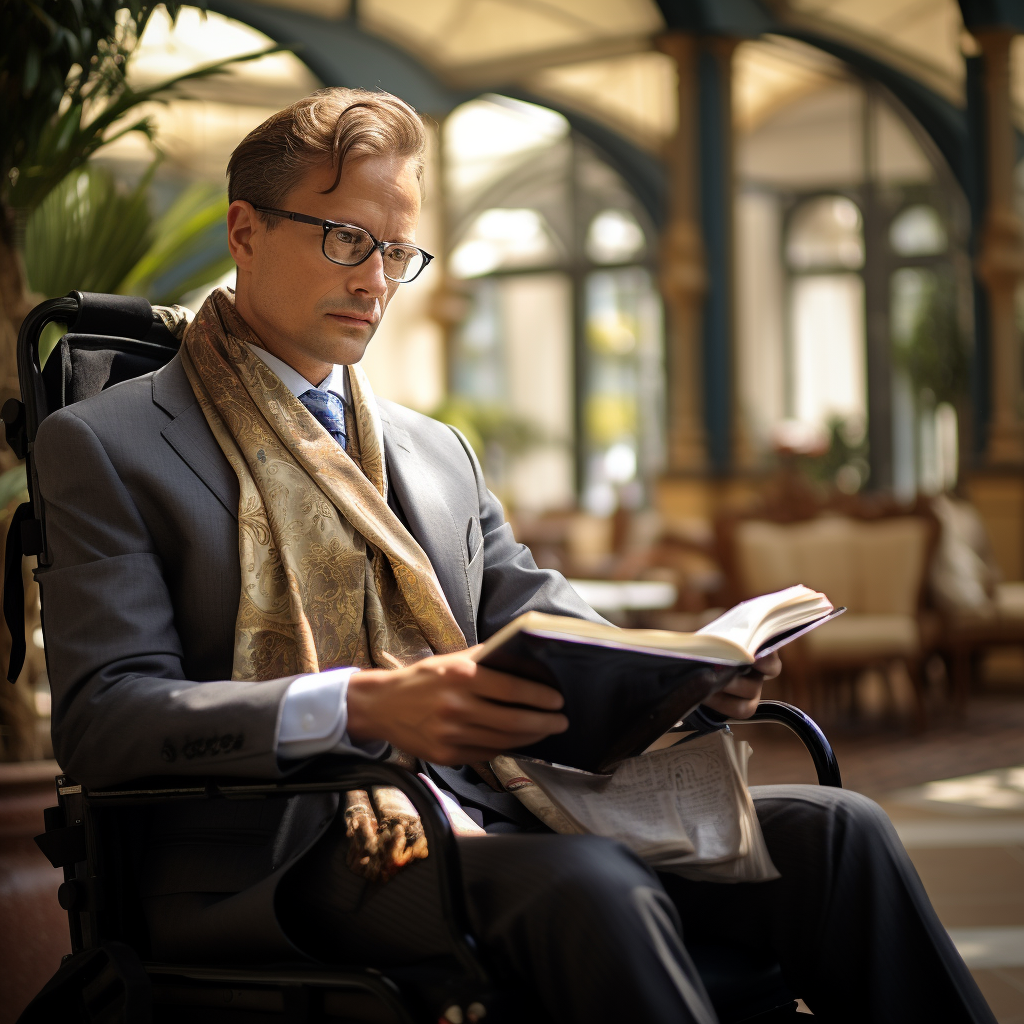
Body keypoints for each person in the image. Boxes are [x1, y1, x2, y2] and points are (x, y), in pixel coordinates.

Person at [34, 87, 994, 1023]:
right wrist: (364, 703)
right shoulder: (108, 443)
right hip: (282, 854)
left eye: (398, 251)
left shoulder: (432, 450)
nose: (375, 279)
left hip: (499, 808)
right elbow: (105, 720)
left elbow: (544, 620)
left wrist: (686, 678)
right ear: (245, 232)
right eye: (346, 239)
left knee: (841, 831)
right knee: (586, 882)